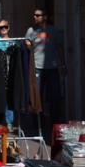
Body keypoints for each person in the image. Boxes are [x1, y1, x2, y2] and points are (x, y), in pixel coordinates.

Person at [25, 8, 65, 139]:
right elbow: (27, 45)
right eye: (34, 15)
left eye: (38, 15)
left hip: (52, 68)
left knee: (55, 97)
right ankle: (38, 124)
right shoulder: (31, 31)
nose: (35, 17)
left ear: (45, 17)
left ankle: (55, 124)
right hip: (37, 68)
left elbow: (60, 47)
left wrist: (63, 64)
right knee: (37, 97)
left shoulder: (54, 30)